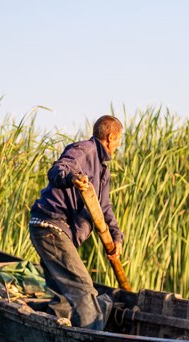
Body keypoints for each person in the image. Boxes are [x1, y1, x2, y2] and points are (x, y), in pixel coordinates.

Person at [29, 115, 124, 330]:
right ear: (111, 137)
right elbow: (58, 169)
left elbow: (104, 207)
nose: (119, 145)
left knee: (61, 295)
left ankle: (55, 336)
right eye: (119, 140)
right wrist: (71, 177)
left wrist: (117, 237)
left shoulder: (103, 169)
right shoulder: (84, 149)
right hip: (50, 226)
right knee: (84, 291)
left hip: (55, 231)